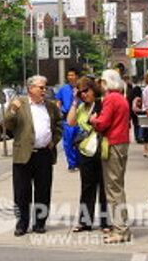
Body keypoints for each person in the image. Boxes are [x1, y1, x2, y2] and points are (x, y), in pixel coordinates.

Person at [4, 75, 63, 236]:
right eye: (40, 87)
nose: (44, 90)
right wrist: (13, 110)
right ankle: (22, 223)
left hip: (44, 154)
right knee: (22, 192)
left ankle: (40, 223)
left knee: (43, 190)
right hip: (23, 154)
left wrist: (53, 141)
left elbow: (58, 124)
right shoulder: (19, 104)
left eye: (45, 87)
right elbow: (7, 124)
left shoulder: (50, 106)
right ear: (30, 89)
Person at [90, 69, 132, 244]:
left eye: (101, 82)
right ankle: (122, 228)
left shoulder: (110, 99)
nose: (99, 85)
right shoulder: (121, 98)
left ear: (106, 83)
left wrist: (93, 119)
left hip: (113, 144)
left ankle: (120, 230)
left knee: (113, 189)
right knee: (118, 187)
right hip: (121, 143)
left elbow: (103, 123)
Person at [66, 76, 110, 233]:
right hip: (85, 152)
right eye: (81, 92)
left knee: (104, 188)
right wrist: (74, 102)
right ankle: (85, 222)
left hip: (102, 150)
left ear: (93, 89)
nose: (84, 94)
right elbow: (70, 122)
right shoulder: (81, 107)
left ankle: (106, 223)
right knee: (87, 187)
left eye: (86, 90)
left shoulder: (102, 104)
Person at [55, 68, 80, 171]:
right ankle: (72, 163)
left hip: (79, 119)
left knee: (80, 142)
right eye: (69, 75)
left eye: (72, 75)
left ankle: (79, 162)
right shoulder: (63, 89)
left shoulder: (81, 88)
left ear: (76, 76)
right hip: (67, 119)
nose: (70, 77)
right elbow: (58, 100)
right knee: (68, 143)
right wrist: (59, 110)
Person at [128, 77, 143, 144]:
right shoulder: (137, 98)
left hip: (132, 113)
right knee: (139, 124)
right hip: (137, 113)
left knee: (135, 125)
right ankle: (139, 137)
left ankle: (136, 137)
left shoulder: (131, 96)